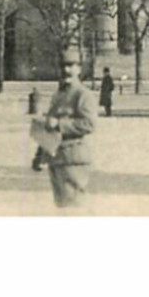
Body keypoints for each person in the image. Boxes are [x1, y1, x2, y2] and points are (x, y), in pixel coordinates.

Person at [43, 48, 96, 208]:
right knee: (62, 208)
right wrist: (40, 155)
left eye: (70, 65)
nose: (66, 70)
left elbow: (89, 124)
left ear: (79, 68)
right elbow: (49, 128)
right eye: (63, 66)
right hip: (57, 159)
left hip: (74, 159)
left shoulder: (83, 94)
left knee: (75, 208)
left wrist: (59, 124)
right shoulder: (58, 95)